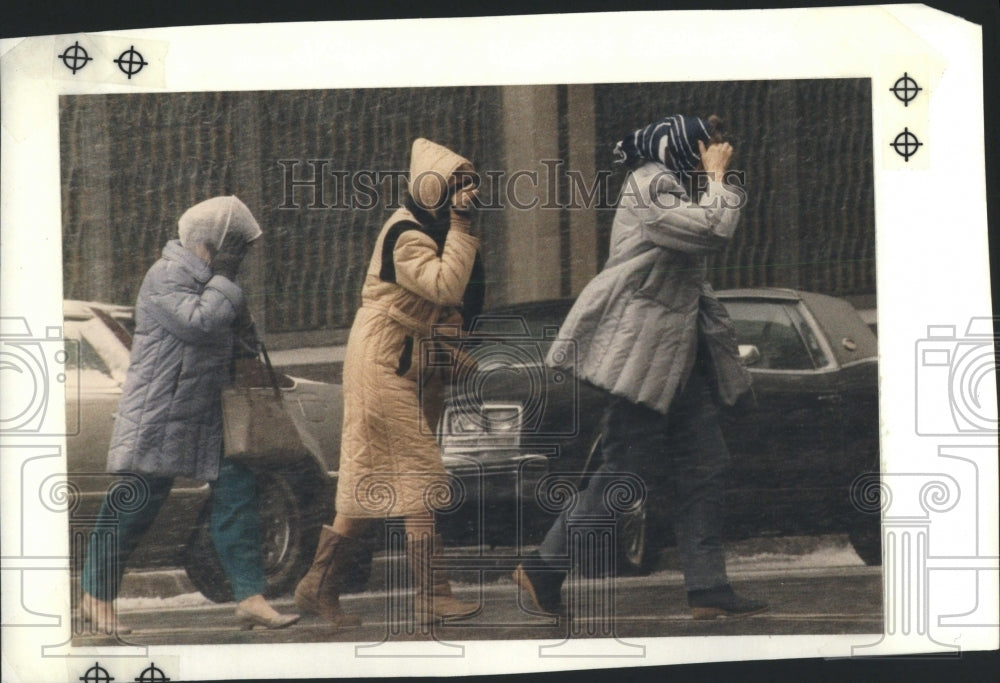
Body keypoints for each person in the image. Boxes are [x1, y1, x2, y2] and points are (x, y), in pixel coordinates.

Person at [514, 115, 769, 620]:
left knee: (705, 467)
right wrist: (718, 179)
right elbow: (712, 230)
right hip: (645, 359)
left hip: (680, 359)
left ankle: (707, 589)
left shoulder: (672, 185)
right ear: (675, 146)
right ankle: (543, 567)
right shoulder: (649, 184)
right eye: (702, 145)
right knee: (624, 473)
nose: (711, 153)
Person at [80, 196, 300, 633]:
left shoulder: (217, 282)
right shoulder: (166, 275)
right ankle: (95, 595)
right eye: (234, 246)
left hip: (207, 413)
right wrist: (226, 284)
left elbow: (246, 345)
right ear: (213, 242)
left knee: (238, 492)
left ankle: (250, 596)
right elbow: (198, 324)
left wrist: (237, 307)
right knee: (134, 504)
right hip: (162, 411)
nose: (240, 256)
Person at [294, 138, 485, 627]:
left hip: (393, 356)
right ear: (431, 187)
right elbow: (444, 286)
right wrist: (463, 226)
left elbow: (441, 306)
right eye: (455, 186)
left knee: (368, 481)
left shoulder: (435, 230)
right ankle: (434, 593)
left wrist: (449, 349)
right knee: (421, 470)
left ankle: (317, 586)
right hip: (381, 359)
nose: (465, 195)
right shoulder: (407, 233)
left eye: (469, 185)